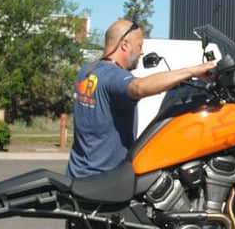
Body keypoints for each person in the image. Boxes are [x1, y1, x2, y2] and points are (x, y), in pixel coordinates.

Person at [67, 19, 216, 178]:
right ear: (125, 45)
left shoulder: (87, 70)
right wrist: (196, 70)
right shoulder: (114, 76)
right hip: (105, 178)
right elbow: (138, 87)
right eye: (139, 45)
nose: (142, 52)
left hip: (77, 173)